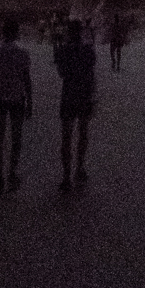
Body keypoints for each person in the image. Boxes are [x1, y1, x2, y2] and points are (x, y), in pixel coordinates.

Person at [0, 17, 32, 195]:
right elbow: (26, 79)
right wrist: (30, 101)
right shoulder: (23, 53)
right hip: (16, 99)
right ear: (17, 32)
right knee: (16, 137)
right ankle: (12, 172)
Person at [54, 19, 96, 190]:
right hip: (84, 94)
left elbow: (61, 73)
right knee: (83, 132)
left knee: (66, 135)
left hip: (69, 93)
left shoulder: (63, 50)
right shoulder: (88, 50)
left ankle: (66, 176)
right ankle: (79, 168)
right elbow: (91, 74)